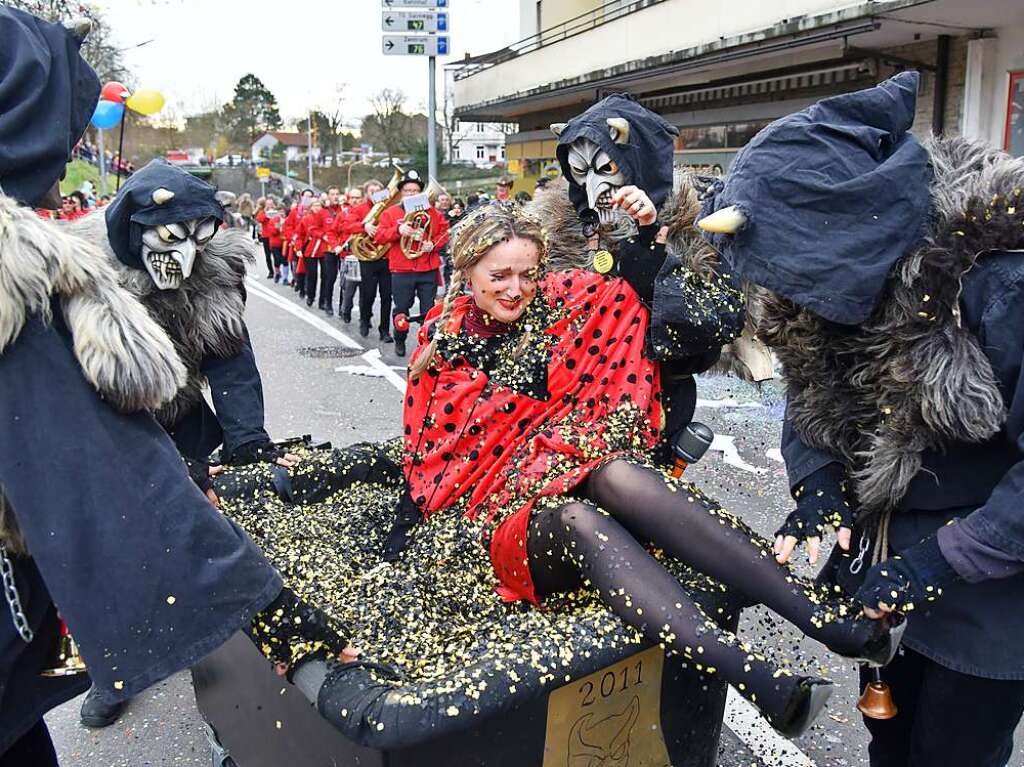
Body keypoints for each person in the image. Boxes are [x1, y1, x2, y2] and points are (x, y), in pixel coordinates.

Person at [0, 9, 346, 763]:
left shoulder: (211, 280)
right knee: (112, 560)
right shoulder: (47, 276)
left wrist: (249, 451)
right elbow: (103, 471)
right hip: (116, 447)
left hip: (180, 426)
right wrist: (278, 611)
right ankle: (111, 662)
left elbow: (235, 368)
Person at [698, 72, 1024, 767]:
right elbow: (811, 388)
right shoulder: (826, 283)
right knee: (891, 741)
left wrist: (941, 560)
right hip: (885, 560)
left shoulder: (999, 281)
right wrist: (818, 484)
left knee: (953, 751)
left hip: (993, 590)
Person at [374, 169, 449, 357]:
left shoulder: (432, 213)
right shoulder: (391, 213)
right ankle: (400, 339)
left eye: (415, 191)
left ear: (421, 193)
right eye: (407, 191)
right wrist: (398, 230)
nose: (411, 194)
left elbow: (445, 234)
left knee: (428, 310)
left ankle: (427, 346)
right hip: (402, 269)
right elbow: (380, 236)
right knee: (401, 308)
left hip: (427, 268)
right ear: (401, 192)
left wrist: (433, 244)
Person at [338, 178, 392, 339]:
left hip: (386, 257)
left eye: (378, 191)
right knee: (367, 294)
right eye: (371, 191)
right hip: (367, 259)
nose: (375, 194)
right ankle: (364, 320)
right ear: (367, 193)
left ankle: (384, 330)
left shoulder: (389, 207)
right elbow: (345, 226)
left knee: (386, 296)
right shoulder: (359, 208)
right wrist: (364, 226)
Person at [319, 185, 346, 317]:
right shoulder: (323, 212)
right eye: (332, 194)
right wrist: (323, 236)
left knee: (344, 279)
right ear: (328, 196)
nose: (335, 196)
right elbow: (315, 227)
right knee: (330, 277)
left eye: (337, 194)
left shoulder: (344, 209)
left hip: (344, 249)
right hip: (329, 249)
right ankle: (327, 303)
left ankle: (342, 306)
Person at [297, 196, 327, 307]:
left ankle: (322, 300)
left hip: (324, 250)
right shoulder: (306, 219)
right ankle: (310, 296)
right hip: (310, 250)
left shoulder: (327, 218)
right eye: (314, 205)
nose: (317, 208)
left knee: (325, 275)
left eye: (319, 205)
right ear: (310, 207)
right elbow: (300, 235)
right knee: (311, 275)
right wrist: (299, 248)